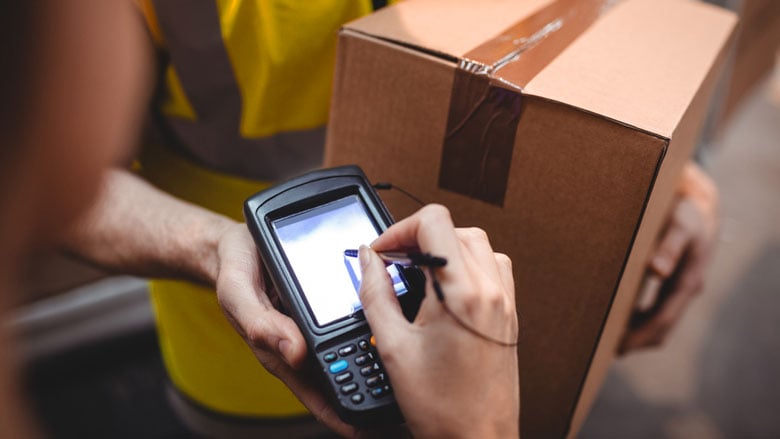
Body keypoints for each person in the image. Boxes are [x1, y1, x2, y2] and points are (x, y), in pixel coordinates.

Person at [50, 0, 717, 436]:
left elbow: (574, 36)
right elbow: (42, 179)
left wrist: (672, 175)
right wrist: (213, 245)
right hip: (239, 361)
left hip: (456, 342)